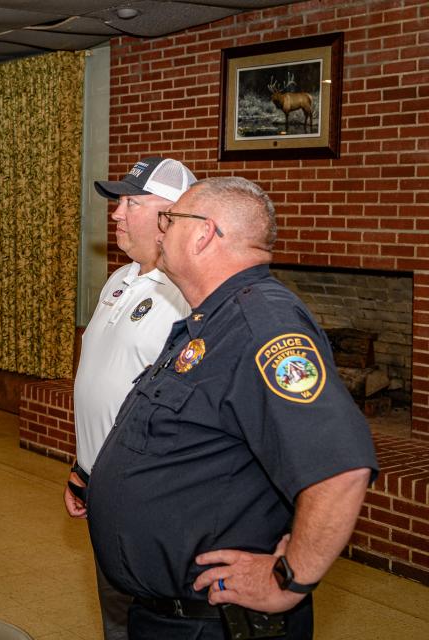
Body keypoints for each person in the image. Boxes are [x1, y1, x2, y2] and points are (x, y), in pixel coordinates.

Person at [86, 177, 378, 639]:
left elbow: (340, 467)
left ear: (204, 233)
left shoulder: (262, 322)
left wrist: (287, 578)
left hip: (214, 623)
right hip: (168, 614)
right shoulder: (212, 318)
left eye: (170, 219)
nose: (161, 231)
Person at [65, 157, 195, 639]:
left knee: (151, 618)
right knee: (116, 610)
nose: (116, 214)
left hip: (151, 496)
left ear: (168, 218)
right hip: (104, 486)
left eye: (130, 203)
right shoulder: (120, 280)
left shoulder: (187, 294)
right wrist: (82, 468)